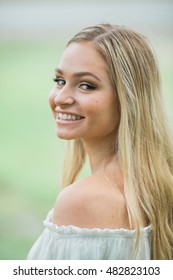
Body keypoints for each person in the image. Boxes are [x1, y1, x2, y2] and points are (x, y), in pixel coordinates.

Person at [27, 23, 173, 260]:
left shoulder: (84, 201)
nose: (61, 98)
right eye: (59, 80)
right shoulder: (160, 181)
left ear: (129, 99)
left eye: (86, 85)